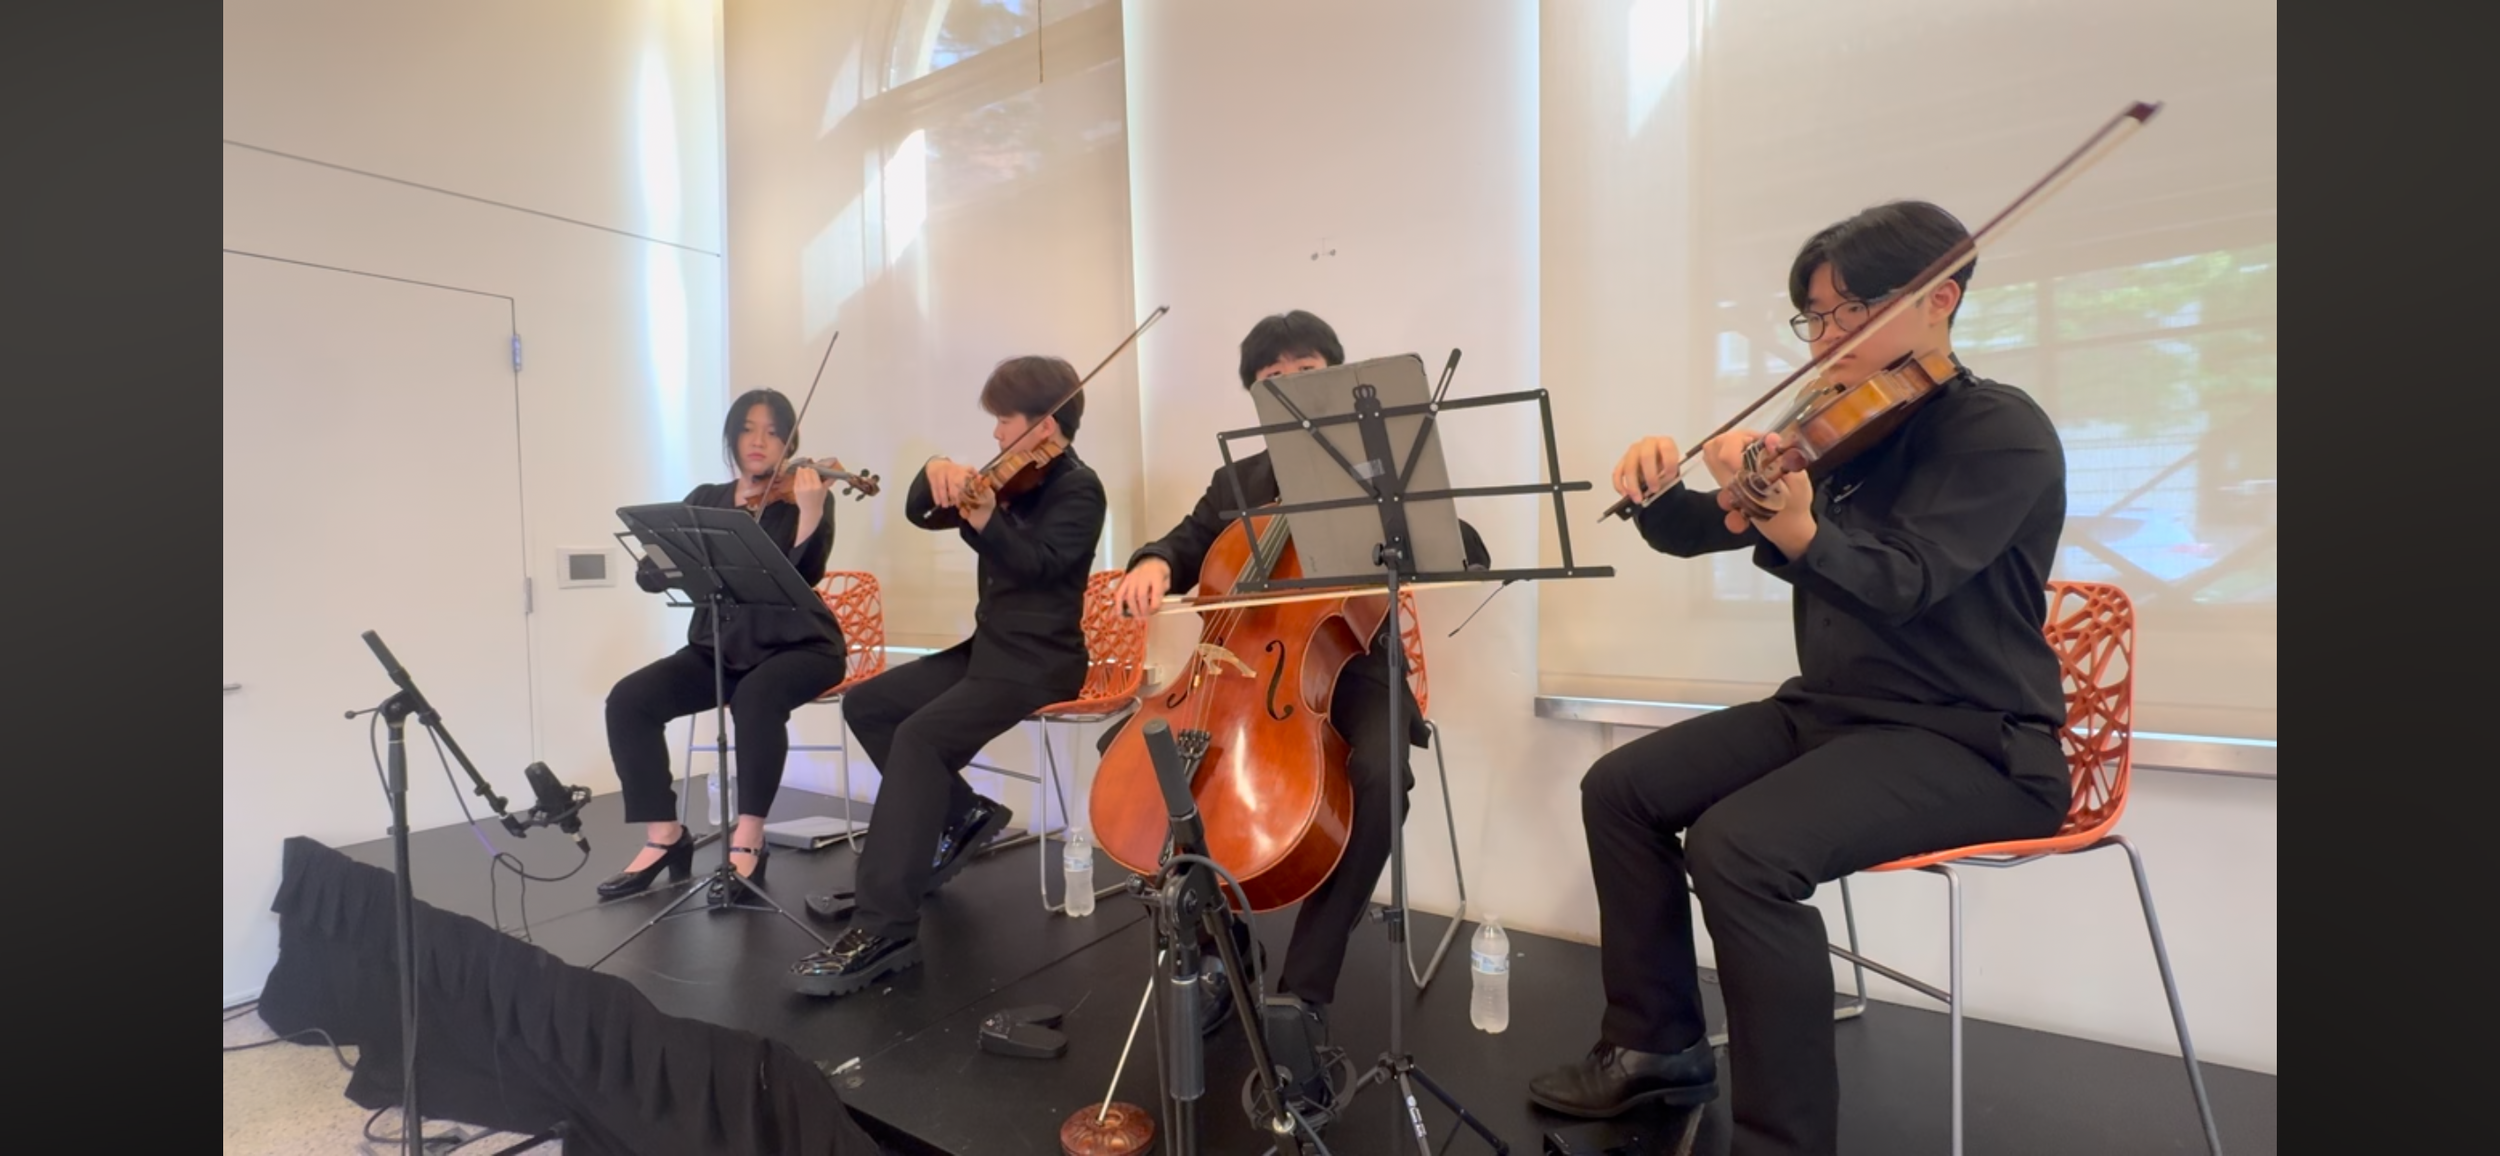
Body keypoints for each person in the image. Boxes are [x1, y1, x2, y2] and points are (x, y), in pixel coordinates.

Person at [1524, 201, 2074, 1155]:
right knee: (1621, 788)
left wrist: (1797, 525)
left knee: (1740, 848)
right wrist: (1660, 494)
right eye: (1813, 318)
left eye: (1848, 312)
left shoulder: (1999, 433)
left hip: (1977, 739)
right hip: (1836, 712)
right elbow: (1705, 528)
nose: (1825, 340)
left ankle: (1784, 1140)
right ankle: (1654, 1048)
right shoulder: (1841, 427)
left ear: (1941, 298)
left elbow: (1904, 583)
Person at [1104, 310, 1488, 1116]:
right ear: (1254, 398)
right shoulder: (1237, 482)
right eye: (1269, 383)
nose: (1288, 393)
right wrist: (1148, 563)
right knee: (1161, 766)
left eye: (1304, 373)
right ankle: (1218, 952)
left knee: (1383, 778)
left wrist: (1418, 530)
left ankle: (1301, 997)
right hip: (1242, 672)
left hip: (1353, 668)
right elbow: (1182, 543)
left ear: (1340, 382)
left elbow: (1464, 546)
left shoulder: (1377, 474)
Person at [791, 355, 1108, 998]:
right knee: (872, 705)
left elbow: (1043, 568)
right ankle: (963, 817)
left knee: (920, 738)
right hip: (989, 650)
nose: (994, 435)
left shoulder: (1080, 488)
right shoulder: (1008, 478)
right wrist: (933, 468)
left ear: (1045, 425)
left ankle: (886, 929)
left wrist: (989, 520)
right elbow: (922, 512)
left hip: (1041, 660)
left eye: (1005, 420)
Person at [596, 389, 847, 909]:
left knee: (756, 700)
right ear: (732, 437)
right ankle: (665, 836)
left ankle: (748, 837)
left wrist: (809, 511)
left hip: (798, 647)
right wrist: (656, 561)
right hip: (720, 648)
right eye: (748, 428)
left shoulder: (808, 496)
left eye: (774, 432)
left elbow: (802, 577)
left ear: (790, 442)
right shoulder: (706, 499)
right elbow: (661, 574)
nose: (759, 441)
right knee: (629, 699)